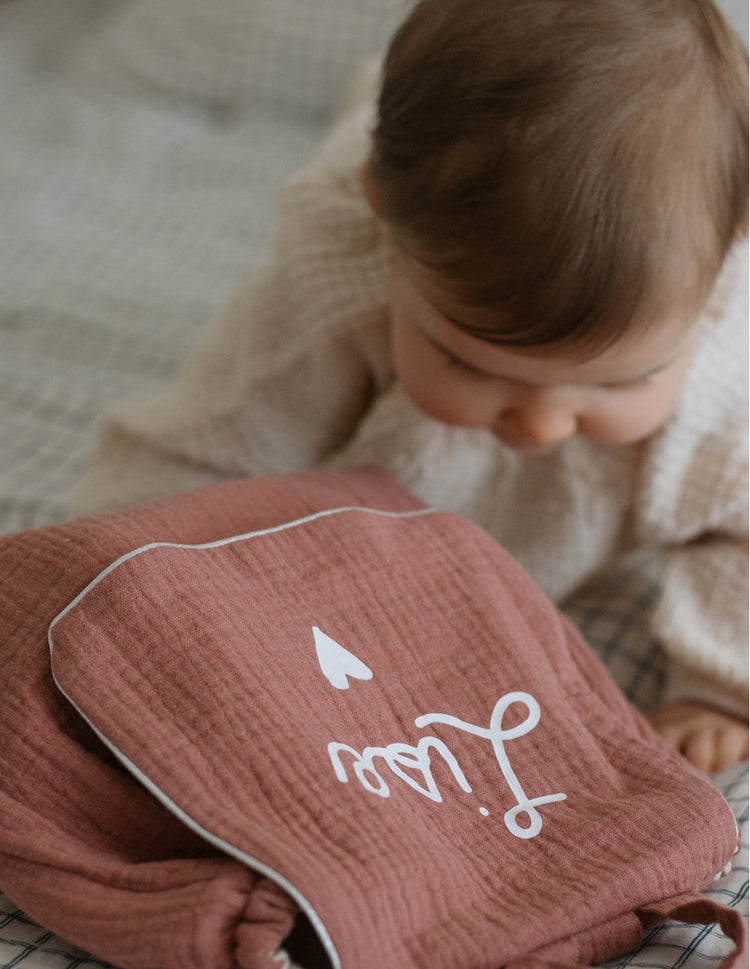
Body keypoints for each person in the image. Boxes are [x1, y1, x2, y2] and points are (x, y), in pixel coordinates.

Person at [70, 0, 749, 774]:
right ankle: (374, 119)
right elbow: (201, 452)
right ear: (384, 218)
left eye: (620, 378)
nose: (541, 425)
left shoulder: (724, 344)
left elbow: (739, 528)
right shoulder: (339, 292)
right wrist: (117, 591)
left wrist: (720, 691)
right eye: (472, 362)